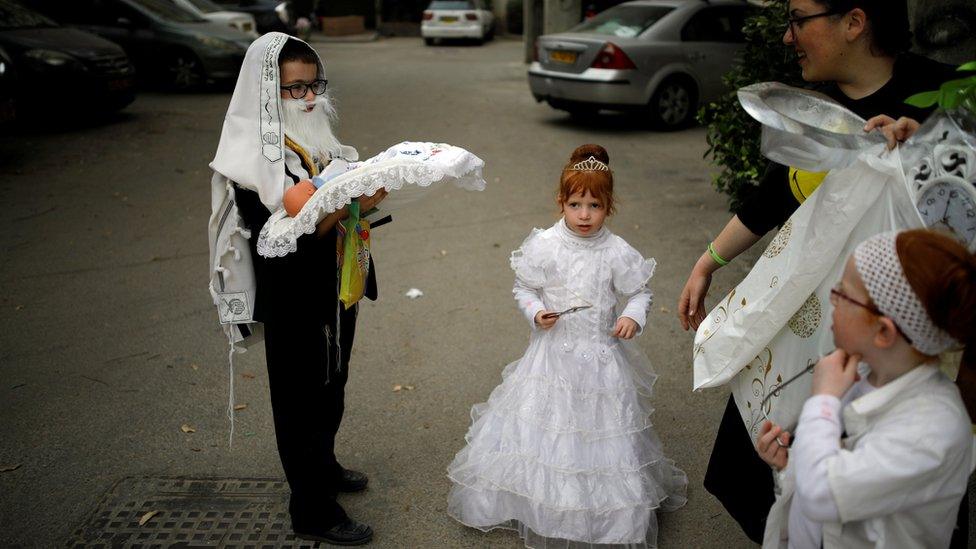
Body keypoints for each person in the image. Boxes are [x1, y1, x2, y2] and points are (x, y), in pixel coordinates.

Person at [675, 0, 958, 542]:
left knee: (882, 488)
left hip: (897, 336)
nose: (787, 37)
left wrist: (923, 152)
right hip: (810, 321)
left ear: (855, 21)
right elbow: (775, 196)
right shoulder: (820, 114)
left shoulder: (942, 96)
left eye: (798, 18)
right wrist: (707, 262)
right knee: (769, 459)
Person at [447, 144, 687, 548]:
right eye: (575, 204)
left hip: (600, 359)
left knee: (603, 436)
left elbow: (639, 293)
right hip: (552, 358)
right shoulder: (545, 245)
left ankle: (610, 516)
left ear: (609, 206)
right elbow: (524, 286)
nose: (584, 215)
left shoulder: (616, 251)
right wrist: (537, 312)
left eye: (594, 205)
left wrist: (632, 316)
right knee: (546, 431)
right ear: (560, 201)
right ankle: (537, 503)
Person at [208, 33, 386, 545]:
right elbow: (281, 238)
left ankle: (324, 469)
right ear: (267, 94)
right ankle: (312, 511)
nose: (310, 98)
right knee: (300, 400)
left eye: (315, 84)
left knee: (333, 380)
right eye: (296, 89)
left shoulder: (314, 140)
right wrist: (345, 202)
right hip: (293, 299)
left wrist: (364, 199)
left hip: (334, 285)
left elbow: (329, 209)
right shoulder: (248, 159)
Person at [755, 229, 975, 548]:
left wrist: (823, 401)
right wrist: (795, 464)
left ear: (884, 332)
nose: (832, 296)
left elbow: (822, 494)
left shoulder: (931, 432)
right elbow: (847, 477)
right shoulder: (865, 371)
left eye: (842, 293)